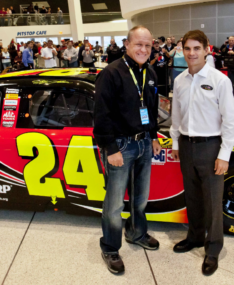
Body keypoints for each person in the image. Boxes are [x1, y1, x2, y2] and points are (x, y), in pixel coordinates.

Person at [94, 26, 161, 274]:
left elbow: (151, 109)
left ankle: (136, 233)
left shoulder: (150, 72)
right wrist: (110, 148)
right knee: (114, 204)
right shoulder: (111, 73)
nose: (143, 49)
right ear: (127, 44)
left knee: (140, 198)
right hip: (120, 145)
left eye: (148, 45)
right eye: (138, 44)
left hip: (144, 143)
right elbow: (101, 115)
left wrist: (153, 136)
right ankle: (110, 247)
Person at [170, 30, 234, 276]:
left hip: (211, 147)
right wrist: (176, 144)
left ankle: (213, 248)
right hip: (186, 145)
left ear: (207, 49)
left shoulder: (220, 80)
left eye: (197, 48)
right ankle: (195, 237)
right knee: (193, 197)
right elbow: (176, 116)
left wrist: (224, 154)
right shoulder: (180, 80)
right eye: (187, 48)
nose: (192, 53)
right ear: (182, 50)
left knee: (212, 201)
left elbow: (229, 121)